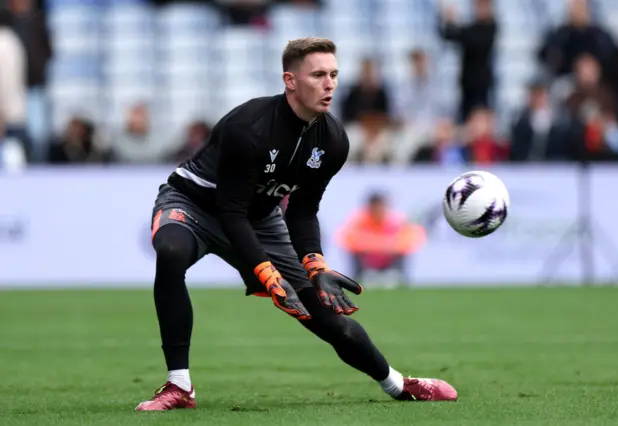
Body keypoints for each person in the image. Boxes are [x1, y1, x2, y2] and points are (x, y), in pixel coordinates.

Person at [136, 37, 458, 411]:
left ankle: (397, 384)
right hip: (193, 204)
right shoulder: (249, 126)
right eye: (318, 74)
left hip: (260, 219)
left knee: (328, 318)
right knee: (171, 252)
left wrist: (315, 264)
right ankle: (179, 387)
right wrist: (263, 268)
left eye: (334, 75)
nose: (330, 84)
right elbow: (230, 211)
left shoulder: (334, 140)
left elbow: (303, 211)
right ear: (290, 81)